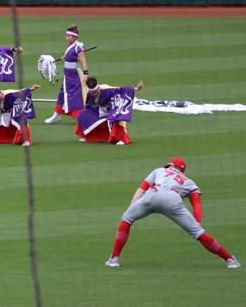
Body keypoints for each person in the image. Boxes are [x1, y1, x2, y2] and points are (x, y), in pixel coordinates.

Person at [106, 158, 240, 269]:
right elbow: (196, 202)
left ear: (170, 165)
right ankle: (230, 260)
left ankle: (114, 259)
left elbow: (141, 189)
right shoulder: (189, 182)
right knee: (199, 234)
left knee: (126, 220)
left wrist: (131, 209)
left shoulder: (159, 170)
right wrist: (198, 221)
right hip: (172, 200)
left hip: (152, 194)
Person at [75, 77, 142, 145]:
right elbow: (89, 106)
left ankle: (121, 139)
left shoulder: (106, 89)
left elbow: (121, 90)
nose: (95, 94)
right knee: (84, 113)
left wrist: (137, 88)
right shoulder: (89, 94)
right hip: (101, 111)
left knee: (115, 117)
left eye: (96, 92)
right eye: (92, 93)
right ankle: (88, 136)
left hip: (113, 109)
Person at [46, 24, 88, 124]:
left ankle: (81, 118)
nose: (67, 38)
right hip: (67, 75)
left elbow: (83, 62)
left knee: (76, 96)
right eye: (67, 36)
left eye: (69, 36)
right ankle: (56, 115)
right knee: (62, 94)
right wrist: (66, 58)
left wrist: (86, 74)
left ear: (75, 37)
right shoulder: (70, 46)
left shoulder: (79, 48)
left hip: (75, 75)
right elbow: (73, 57)